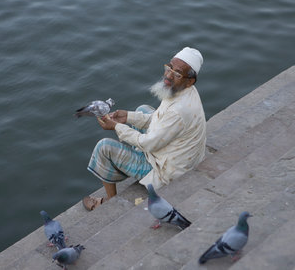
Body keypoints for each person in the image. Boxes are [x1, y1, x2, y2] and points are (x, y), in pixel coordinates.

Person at [83, 47, 207, 211]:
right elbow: (160, 120)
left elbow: (149, 143)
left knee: (104, 147)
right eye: (169, 68)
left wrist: (117, 127)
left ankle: (111, 204)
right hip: (180, 157)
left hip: (168, 172)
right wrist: (127, 117)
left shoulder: (179, 111)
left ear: (190, 81)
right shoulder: (186, 90)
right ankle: (128, 159)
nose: (168, 75)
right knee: (142, 109)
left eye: (177, 74)